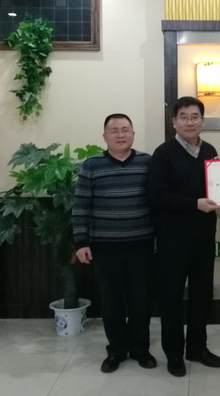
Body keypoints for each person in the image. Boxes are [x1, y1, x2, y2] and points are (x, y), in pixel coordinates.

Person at [72, 113, 156, 373]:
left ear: (133, 134)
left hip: (142, 245)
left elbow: (159, 200)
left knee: (141, 301)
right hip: (105, 247)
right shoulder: (91, 166)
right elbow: (81, 206)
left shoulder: (147, 163)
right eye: (114, 130)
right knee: (111, 303)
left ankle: (140, 349)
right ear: (105, 136)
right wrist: (81, 242)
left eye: (125, 130)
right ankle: (117, 351)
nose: (120, 135)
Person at [148, 96, 220, 377]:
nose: (190, 122)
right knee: (171, 296)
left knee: (202, 294)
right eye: (184, 117)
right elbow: (157, 196)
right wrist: (194, 204)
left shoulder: (210, 151)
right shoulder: (163, 153)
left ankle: (197, 348)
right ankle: (174, 354)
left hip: (204, 236)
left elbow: (217, 189)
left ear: (203, 121)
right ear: (174, 122)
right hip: (173, 240)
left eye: (195, 116)